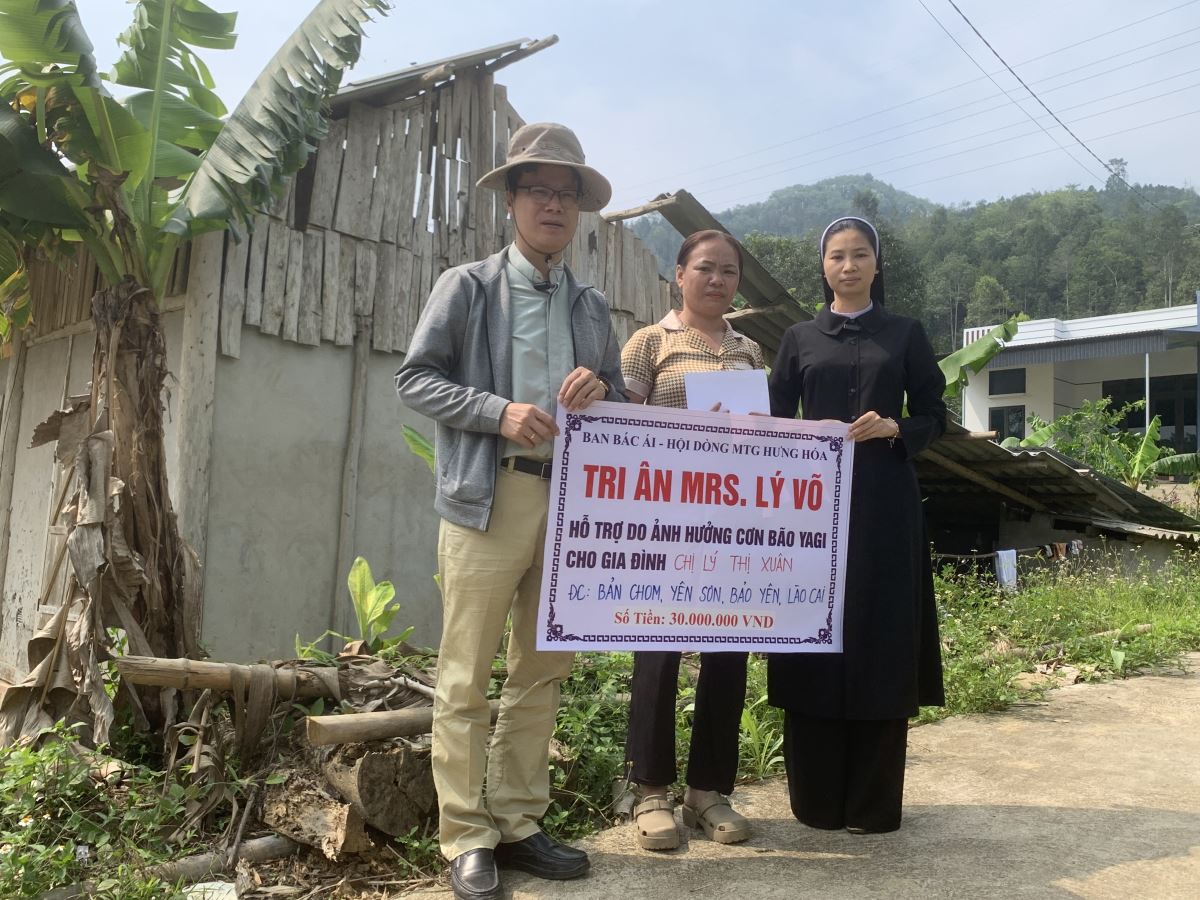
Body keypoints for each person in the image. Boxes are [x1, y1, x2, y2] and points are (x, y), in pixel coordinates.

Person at [395, 122, 626, 900]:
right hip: (489, 497)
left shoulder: (591, 305)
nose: (552, 206)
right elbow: (415, 379)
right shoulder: (467, 286)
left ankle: (520, 821)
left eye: (566, 194)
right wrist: (498, 412)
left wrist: (602, 388)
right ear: (512, 200)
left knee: (542, 667)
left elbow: (617, 394)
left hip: (571, 507)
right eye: (538, 191)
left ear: (578, 209)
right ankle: (467, 835)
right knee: (465, 674)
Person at [766, 216, 946, 834]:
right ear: (823, 267)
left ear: (876, 264)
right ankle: (816, 801)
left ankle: (873, 803)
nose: (848, 265)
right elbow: (772, 418)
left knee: (880, 636)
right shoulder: (798, 338)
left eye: (860, 254)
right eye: (837, 256)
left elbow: (935, 414)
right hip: (810, 510)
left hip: (885, 507)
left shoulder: (905, 333)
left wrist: (897, 428)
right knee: (812, 632)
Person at [620, 230, 765, 850]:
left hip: (732, 523)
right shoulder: (649, 343)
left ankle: (708, 791)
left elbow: (762, 436)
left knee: (728, 651)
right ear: (679, 275)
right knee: (657, 649)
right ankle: (650, 791)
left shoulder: (750, 350)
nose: (717, 280)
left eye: (728, 271)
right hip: (664, 518)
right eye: (705, 268)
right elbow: (620, 428)